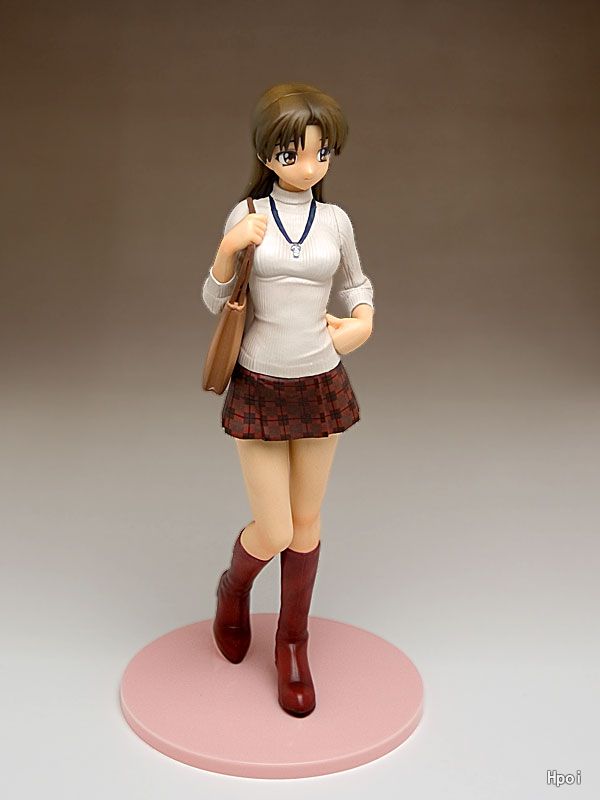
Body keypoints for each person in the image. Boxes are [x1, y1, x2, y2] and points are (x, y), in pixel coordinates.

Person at [202, 82, 375, 717]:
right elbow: (213, 300)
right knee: (273, 529)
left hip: (320, 381)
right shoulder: (247, 213)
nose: (308, 166)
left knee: (306, 522)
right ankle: (232, 588)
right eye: (293, 153)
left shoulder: (335, 221)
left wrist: (362, 322)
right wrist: (228, 249)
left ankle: (292, 642)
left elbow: (357, 283)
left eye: (321, 153)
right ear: (266, 153)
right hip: (259, 382)